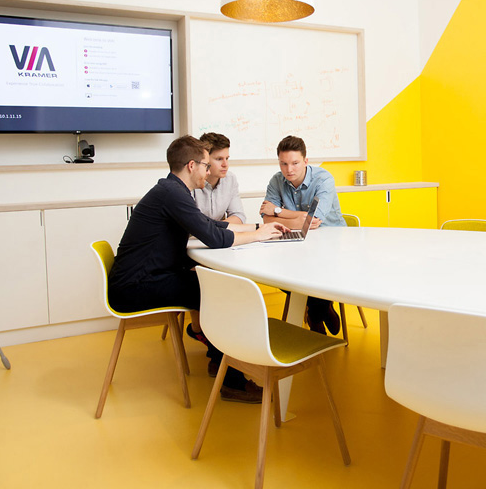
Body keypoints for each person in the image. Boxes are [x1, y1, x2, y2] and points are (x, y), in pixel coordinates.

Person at [108, 135, 287, 403]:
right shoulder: (173, 194)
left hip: (144, 278)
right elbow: (213, 237)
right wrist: (258, 236)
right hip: (134, 288)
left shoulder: (172, 191)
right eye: (206, 165)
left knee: (212, 285)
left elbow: (208, 225)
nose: (208, 171)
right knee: (217, 292)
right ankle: (232, 381)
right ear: (191, 166)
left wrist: (258, 228)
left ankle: (219, 362)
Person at [259, 135, 345, 335]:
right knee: (280, 273)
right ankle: (321, 307)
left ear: (306, 161)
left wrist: (278, 211)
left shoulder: (323, 179)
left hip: (332, 243)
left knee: (319, 269)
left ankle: (315, 313)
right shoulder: (277, 180)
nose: (289, 169)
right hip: (296, 243)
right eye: (284, 163)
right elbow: (267, 220)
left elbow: (314, 220)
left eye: (295, 163)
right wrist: (300, 218)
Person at [184, 132, 245, 351]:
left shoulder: (231, 179)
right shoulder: (190, 180)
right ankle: (205, 334)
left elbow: (239, 216)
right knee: (203, 279)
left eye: (227, 158)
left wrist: (213, 229)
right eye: (219, 159)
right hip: (192, 249)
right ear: (205, 160)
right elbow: (190, 227)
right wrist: (215, 229)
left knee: (235, 277)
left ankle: (226, 336)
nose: (225, 164)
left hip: (218, 245)